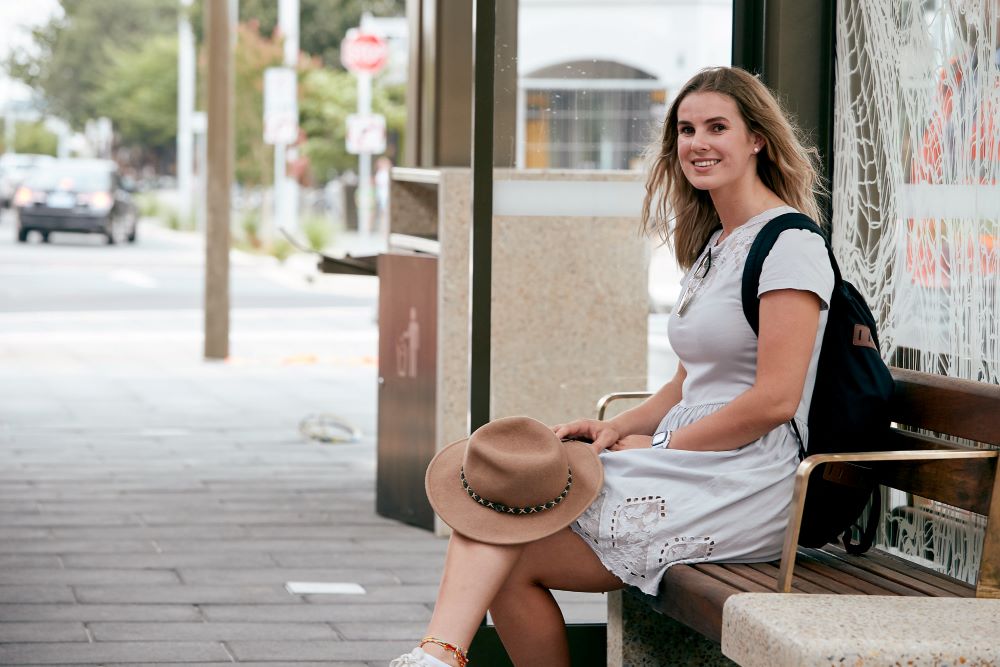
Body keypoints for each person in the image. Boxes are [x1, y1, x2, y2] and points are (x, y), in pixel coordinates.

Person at [390, 66, 833, 667]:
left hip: (747, 478)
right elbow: (687, 381)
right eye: (686, 129)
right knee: (504, 527)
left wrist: (662, 446)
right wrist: (618, 429)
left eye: (717, 127)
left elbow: (775, 400)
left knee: (510, 514)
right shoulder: (718, 246)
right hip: (691, 461)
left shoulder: (791, 246)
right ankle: (436, 655)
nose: (697, 143)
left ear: (757, 139)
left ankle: (435, 656)